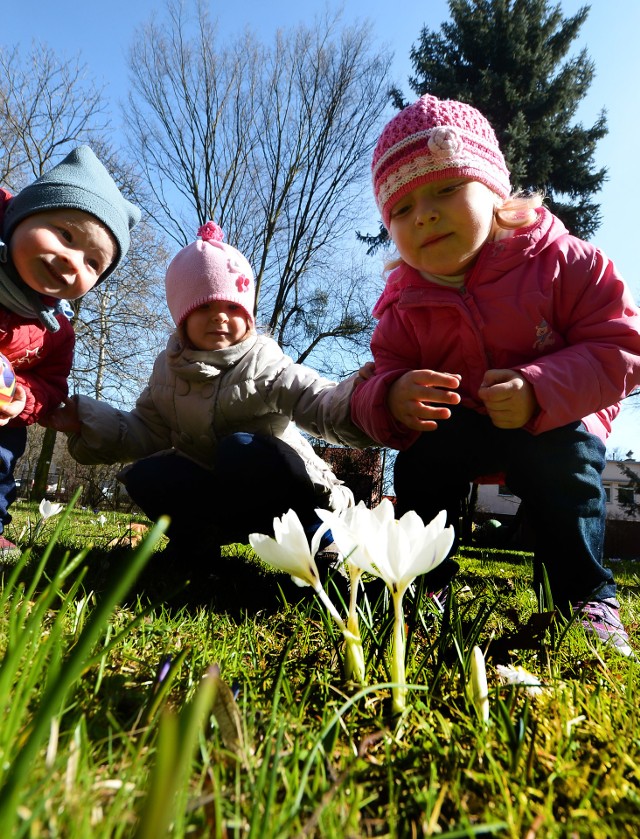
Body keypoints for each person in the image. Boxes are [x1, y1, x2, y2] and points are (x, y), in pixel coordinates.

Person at [350, 94, 640, 655]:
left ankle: (581, 595)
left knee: (563, 464)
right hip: (465, 426)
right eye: (402, 209)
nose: (425, 215)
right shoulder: (403, 303)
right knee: (424, 455)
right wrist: (393, 397)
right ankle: (420, 583)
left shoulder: (562, 261)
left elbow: (622, 345)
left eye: (444, 190)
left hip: (555, 421)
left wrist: (539, 388)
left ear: (495, 190)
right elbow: (377, 377)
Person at [48, 221, 372, 577]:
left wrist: (358, 398)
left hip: (283, 495)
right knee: (148, 474)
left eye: (233, 308)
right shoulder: (167, 371)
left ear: (247, 317)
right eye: (203, 307)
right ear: (182, 318)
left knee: (241, 448)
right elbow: (143, 430)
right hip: (220, 496)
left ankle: (319, 543)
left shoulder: (261, 361)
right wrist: (85, 419)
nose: (219, 316)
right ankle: (196, 543)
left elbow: (313, 395)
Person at [0, 146, 141, 559]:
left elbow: (50, 386)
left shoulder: (56, 332)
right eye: (65, 234)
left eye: (94, 263)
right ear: (21, 216)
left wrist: (21, 398)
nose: (71, 261)